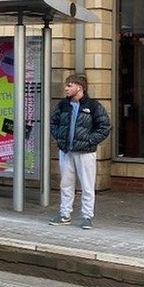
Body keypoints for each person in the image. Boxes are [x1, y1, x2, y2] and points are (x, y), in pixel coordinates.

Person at [48, 73, 111, 229]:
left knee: (87, 185)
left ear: (79, 87)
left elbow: (105, 127)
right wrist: (59, 138)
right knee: (66, 184)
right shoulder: (63, 105)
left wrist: (89, 141)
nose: (66, 88)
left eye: (69, 85)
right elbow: (53, 122)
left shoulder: (93, 106)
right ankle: (64, 214)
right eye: (66, 85)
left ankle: (87, 216)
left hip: (85, 152)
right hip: (66, 151)